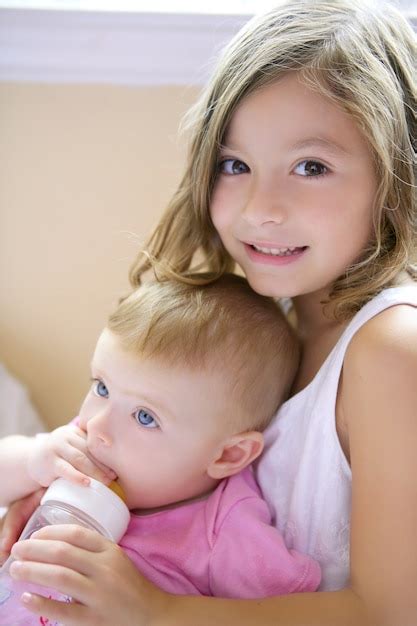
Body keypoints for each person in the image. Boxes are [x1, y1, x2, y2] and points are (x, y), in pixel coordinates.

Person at [3, 0, 416, 624]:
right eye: (235, 164)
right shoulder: (264, 313)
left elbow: (391, 612)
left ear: (394, 180)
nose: (260, 207)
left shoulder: (391, 348)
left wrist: (155, 610)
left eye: (311, 166)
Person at [0, 275, 321, 617]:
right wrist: (33, 460)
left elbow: (286, 615)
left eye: (144, 417)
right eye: (102, 388)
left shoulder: (228, 532)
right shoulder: (82, 446)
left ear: (228, 455)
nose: (98, 426)